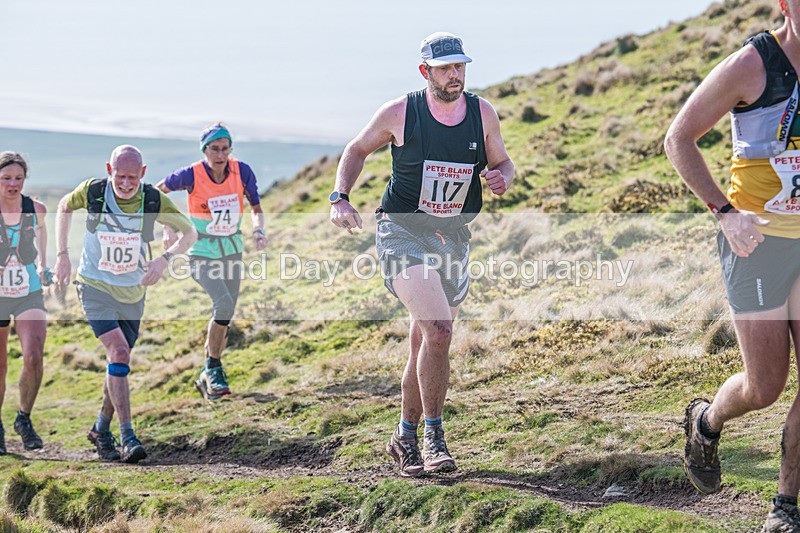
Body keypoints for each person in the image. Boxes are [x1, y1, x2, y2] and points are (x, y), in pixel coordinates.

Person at [330, 32, 513, 476]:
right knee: (440, 330)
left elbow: (502, 161)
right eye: (446, 68)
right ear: (425, 71)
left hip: (451, 236)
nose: (456, 75)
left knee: (424, 342)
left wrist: (503, 177)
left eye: (461, 67)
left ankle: (404, 438)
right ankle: (434, 437)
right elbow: (356, 149)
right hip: (402, 231)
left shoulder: (482, 112)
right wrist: (340, 197)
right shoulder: (400, 112)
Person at [665, 1, 800, 529]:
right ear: (787, 6)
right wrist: (724, 212)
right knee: (765, 386)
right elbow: (679, 138)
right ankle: (707, 419)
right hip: (757, 244)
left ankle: (785, 506)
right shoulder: (754, 64)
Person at [54, 145, 196, 463]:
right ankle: (127, 436)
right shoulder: (93, 190)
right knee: (118, 352)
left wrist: (164, 259)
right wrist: (62, 255)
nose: (127, 183)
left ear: (143, 174)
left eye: (133, 177)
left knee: (119, 363)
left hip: (133, 294)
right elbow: (64, 206)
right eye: (120, 176)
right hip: (93, 287)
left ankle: (100, 429)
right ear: (109, 170)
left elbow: (190, 233)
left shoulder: (152, 199)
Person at [156, 123, 266, 400]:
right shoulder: (191, 174)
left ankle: (208, 372)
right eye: (214, 149)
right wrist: (167, 228)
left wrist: (258, 230)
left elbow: (256, 209)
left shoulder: (243, 171)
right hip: (201, 251)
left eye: (225, 149)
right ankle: (213, 369)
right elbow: (157, 193)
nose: (220, 154)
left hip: (232, 250)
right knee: (223, 304)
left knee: (225, 315)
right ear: (204, 150)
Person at [0, 152, 49, 454]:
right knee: (0, 364)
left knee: (33, 355)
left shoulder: (36, 209)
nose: (13, 184)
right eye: (6, 178)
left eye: (18, 178)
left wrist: (44, 265)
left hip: (28, 292)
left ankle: (24, 419)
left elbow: (43, 239)